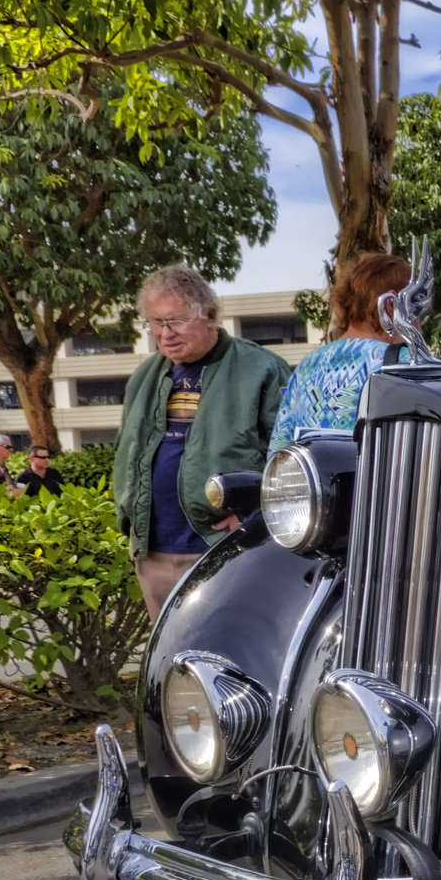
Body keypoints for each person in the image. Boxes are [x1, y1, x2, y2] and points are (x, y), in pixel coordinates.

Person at [115, 265, 290, 622]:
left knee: (228, 658)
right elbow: (128, 452)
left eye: (176, 321)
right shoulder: (142, 379)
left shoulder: (263, 369)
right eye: (155, 323)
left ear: (209, 316)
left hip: (225, 549)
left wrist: (255, 513)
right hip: (154, 555)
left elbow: (291, 457)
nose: (165, 334)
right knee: (168, 664)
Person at [270, 253, 418, 449]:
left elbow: (279, 452)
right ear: (390, 306)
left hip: (318, 479)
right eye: (417, 310)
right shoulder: (407, 363)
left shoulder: (307, 366)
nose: (419, 323)